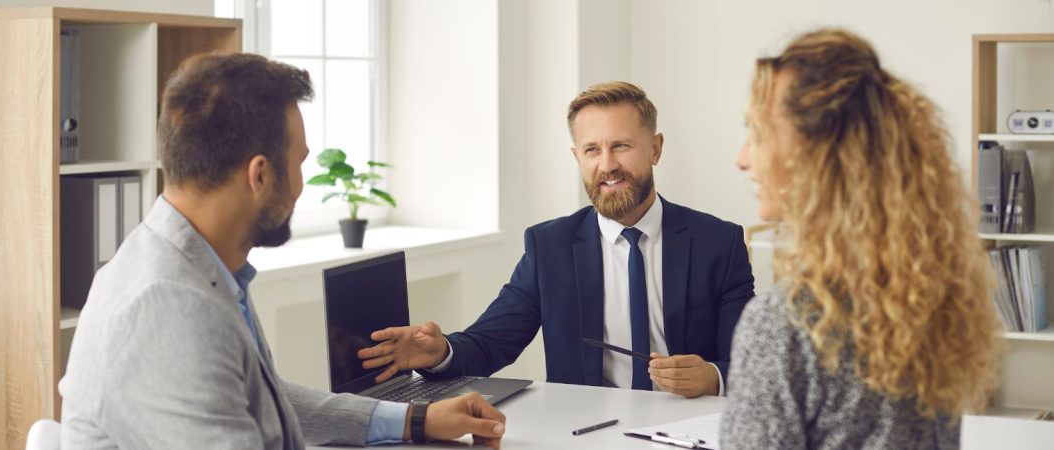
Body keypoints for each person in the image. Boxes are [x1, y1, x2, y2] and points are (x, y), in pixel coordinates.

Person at [59, 53, 506, 449]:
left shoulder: (197, 263)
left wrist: (416, 420)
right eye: (298, 164)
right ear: (259, 175)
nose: (301, 183)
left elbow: (263, 394)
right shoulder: (169, 303)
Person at [358, 81, 755, 397]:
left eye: (621, 145)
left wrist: (712, 377)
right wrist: (439, 352)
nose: (607, 165)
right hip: (584, 431)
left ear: (655, 148)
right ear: (577, 158)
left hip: (688, 427)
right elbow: (491, 343)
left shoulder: (718, 243)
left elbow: (751, 367)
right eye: (591, 150)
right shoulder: (549, 246)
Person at [722, 29, 1001, 448]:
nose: (742, 158)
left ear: (815, 156)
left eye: (758, 135)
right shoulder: (929, 297)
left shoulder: (784, 326)